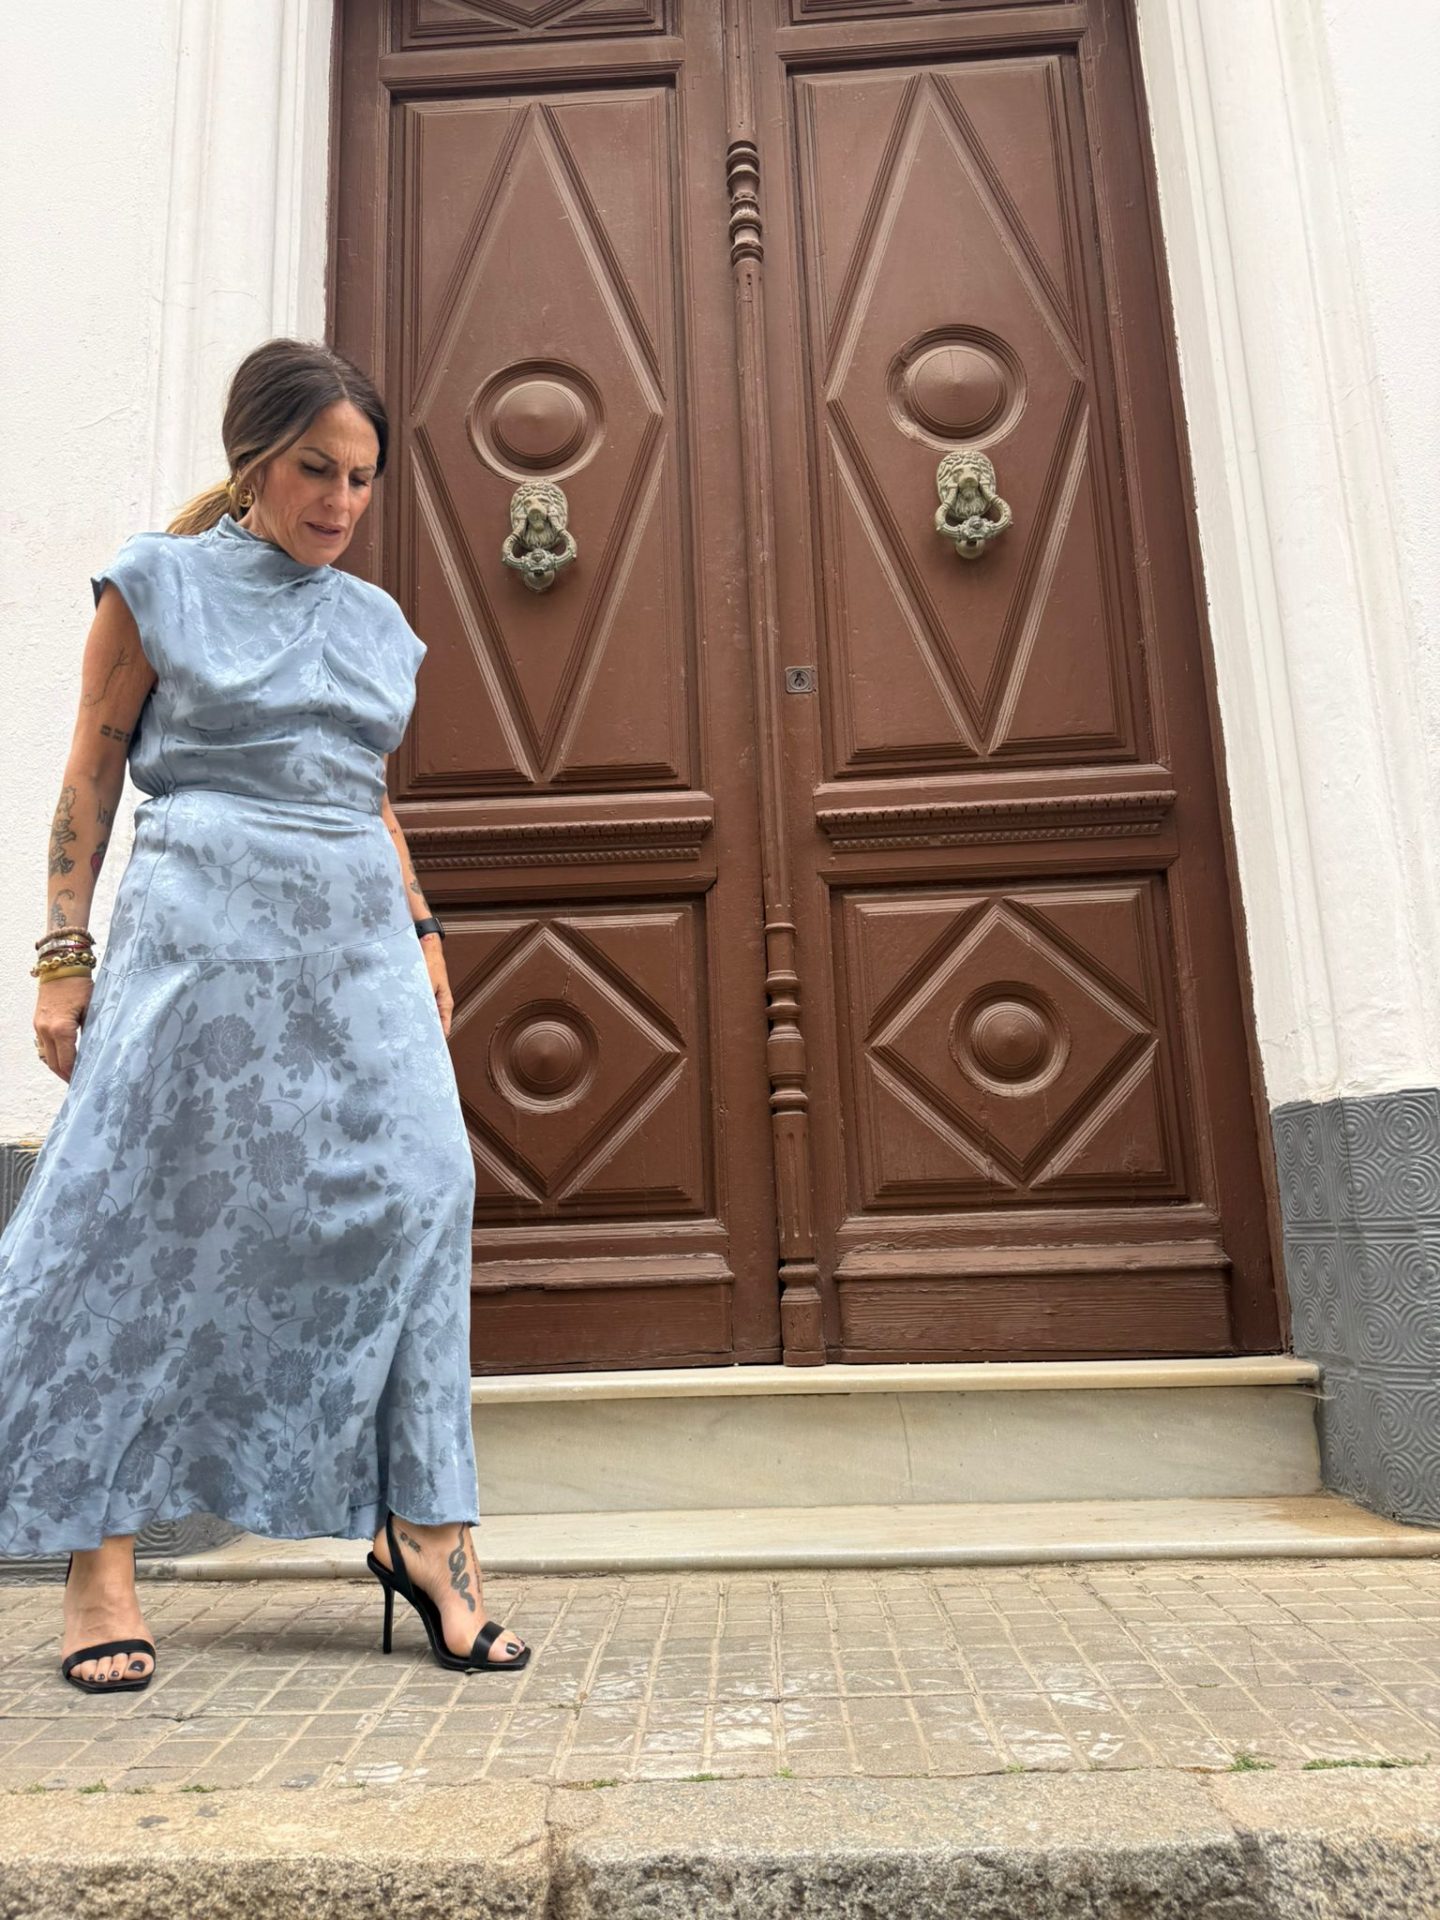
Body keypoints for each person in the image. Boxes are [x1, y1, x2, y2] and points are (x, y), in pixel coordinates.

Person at [0, 337, 529, 1690]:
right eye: (315, 471)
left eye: (361, 478)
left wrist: (421, 928)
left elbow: (360, 790)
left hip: (356, 947)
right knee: (140, 1224)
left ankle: (426, 1532)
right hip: (200, 944)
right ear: (253, 461)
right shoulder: (158, 583)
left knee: (427, 1185)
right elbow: (90, 769)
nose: (341, 503)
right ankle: (101, 1563)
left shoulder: (376, 622)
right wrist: (61, 952)